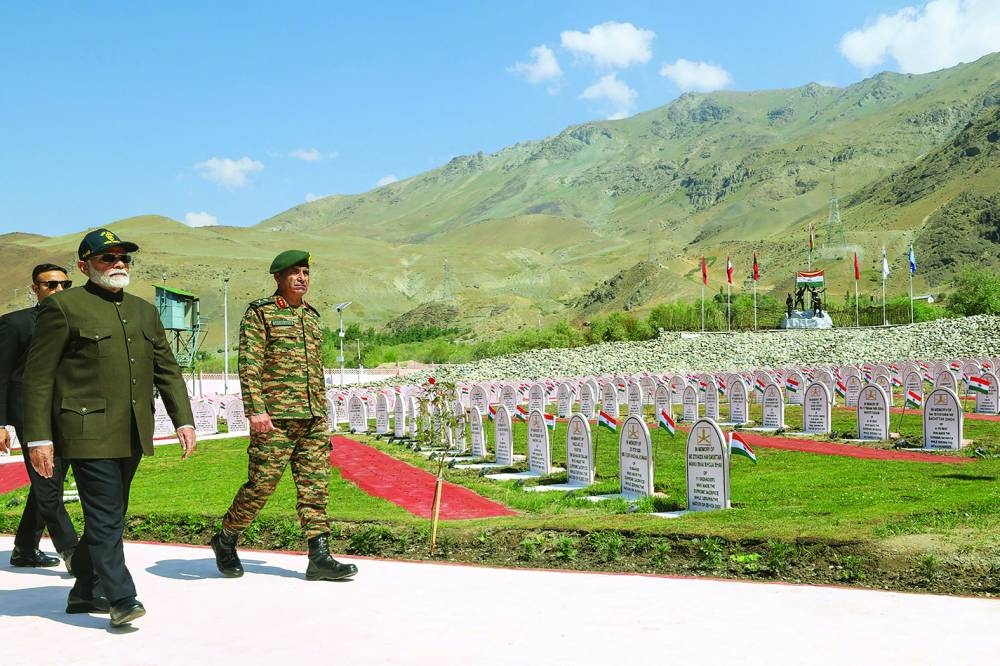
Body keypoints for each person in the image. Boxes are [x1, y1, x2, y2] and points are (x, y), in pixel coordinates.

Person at [22, 228, 196, 628]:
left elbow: (167, 370)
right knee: (104, 516)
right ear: (84, 266)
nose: (119, 264)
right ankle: (121, 597)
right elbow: (38, 377)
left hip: (132, 429)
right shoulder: (63, 307)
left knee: (112, 515)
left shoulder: (143, 311)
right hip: (84, 430)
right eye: (108, 258)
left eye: (124, 258)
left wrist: (183, 419)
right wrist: (39, 438)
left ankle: (85, 590)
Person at [210, 250, 357, 582]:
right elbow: (249, 364)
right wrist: (256, 410)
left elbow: (315, 370)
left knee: (315, 488)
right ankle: (226, 538)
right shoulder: (260, 314)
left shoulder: (312, 317)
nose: (302, 278)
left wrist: (322, 411)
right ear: (278, 277)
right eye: (294, 272)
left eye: (306, 272)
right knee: (261, 486)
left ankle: (319, 556)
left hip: (313, 418)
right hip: (274, 420)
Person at [0, 264, 79, 572]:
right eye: (51, 285)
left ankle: (24, 548)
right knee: (47, 480)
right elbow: (1, 375)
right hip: (29, 413)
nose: (59, 290)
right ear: (36, 289)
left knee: (48, 481)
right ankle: (73, 553)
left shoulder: (76, 321)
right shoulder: (14, 324)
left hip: (66, 412)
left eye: (65, 285)